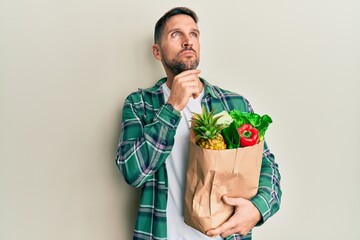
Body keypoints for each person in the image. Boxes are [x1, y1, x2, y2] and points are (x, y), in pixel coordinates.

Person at [116, 7, 281, 240]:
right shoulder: (139, 104)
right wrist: (172, 107)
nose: (187, 41)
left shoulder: (234, 104)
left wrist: (258, 209)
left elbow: (268, 167)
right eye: (176, 34)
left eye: (193, 34)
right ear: (157, 51)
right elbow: (133, 173)